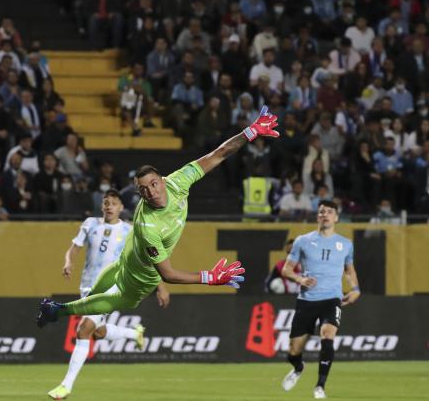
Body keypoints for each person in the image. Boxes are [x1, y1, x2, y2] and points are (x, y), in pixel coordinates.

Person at [36, 107, 280, 326]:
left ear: (162, 179)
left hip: (128, 255)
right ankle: (58, 311)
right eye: (143, 190)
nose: (151, 192)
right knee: (117, 301)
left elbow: (219, 153)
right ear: (139, 195)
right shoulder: (148, 226)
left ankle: (74, 307)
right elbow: (168, 274)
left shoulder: (178, 181)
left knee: (101, 290)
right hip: (140, 278)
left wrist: (251, 131)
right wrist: (209, 277)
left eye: (154, 184)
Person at [47, 190, 170, 400]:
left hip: (111, 288)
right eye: (106, 203)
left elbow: (149, 259)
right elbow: (74, 248)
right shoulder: (90, 224)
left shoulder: (130, 231)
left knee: (83, 330)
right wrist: (69, 262)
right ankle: (134, 334)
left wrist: (161, 287)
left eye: (114, 203)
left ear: (121, 208)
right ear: (102, 206)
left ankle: (65, 386)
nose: (109, 206)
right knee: (97, 332)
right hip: (87, 287)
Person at [280, 200, 361, 399]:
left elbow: (348, 270)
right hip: (307, 300)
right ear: (318, 216)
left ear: (336, 217)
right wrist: (301, 279)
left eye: (329, 212)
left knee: (328, 334)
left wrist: (356, 289)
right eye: (321, 211)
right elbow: (286, 269)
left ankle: (320, 386)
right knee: (293, 351)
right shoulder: (302, 241)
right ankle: (298, 367)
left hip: (332, 299)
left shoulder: (346, 244)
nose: (324, 214)